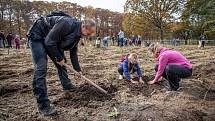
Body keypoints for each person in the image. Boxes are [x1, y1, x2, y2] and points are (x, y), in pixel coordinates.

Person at [27, 11, 96, 116]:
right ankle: (43, 105)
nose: (88, 35)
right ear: (83, 26)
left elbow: (73, 53)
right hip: (38, 35)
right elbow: (49, 42)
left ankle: (67, 85)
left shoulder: (78, 34)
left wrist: (78, 70)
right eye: (89, 33)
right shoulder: (66, 24)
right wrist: (58, 57)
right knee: (41, 67)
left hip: (51, 40)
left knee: (63, 62)